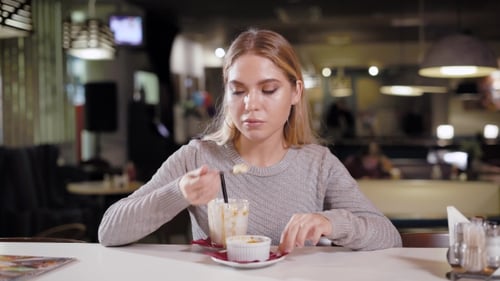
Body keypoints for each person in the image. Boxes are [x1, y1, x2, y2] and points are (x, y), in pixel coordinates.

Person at [98, 28, 402, 252]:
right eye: (238, 90)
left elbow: (389, 236)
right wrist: (179, 191)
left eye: (268, 90)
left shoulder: (318, 164)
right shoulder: (197, 157)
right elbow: (109, 231)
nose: (250, 104)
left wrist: (332, 223)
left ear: (295, 92)